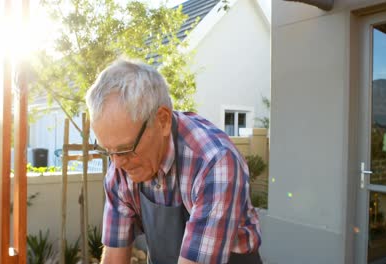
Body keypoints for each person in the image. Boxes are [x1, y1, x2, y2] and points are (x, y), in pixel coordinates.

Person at [86, 58, 262, 264]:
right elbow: (114, 258)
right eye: (108, 150)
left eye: (125, 149)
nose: (116, 164)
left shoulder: (215, 162)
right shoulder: (121, 160)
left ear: (162, 120)